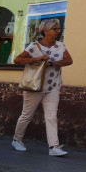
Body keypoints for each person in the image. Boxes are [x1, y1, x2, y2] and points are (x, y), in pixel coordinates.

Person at [11, 18, 72, 157]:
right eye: (54, 29)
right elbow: (17, 60)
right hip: (34, 86)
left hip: (53, 86)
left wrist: (54, 63)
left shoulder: (60, 46)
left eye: (59, 29)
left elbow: (69, 60)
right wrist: (36, 59)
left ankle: (53, 147)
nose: (58, 31)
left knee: (51, 116)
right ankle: (17, 139)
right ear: (45, 31)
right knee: (27, 115)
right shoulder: (34, 46)